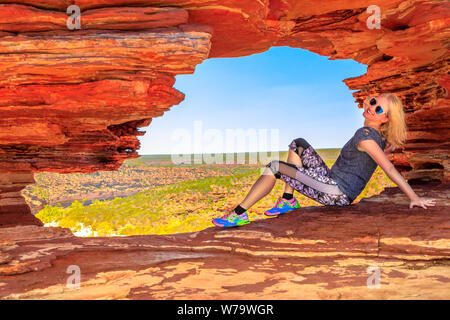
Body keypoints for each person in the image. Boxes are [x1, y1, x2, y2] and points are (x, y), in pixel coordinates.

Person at [212, 93, 437, 228]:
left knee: (275, 167)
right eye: (373, 101)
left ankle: (238, 214)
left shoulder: (366, 137)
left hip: (336, 193)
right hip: (331, 181)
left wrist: (414, 197)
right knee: (298, 143)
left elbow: (388, 168)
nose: (371, 107)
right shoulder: (376, 136)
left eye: (378, 108)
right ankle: (288, 200)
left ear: (385, 118)